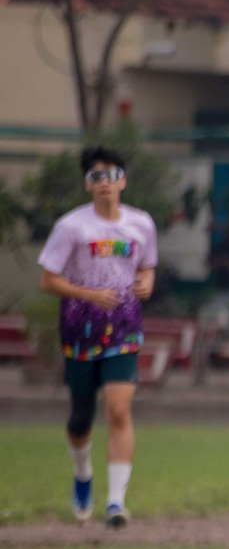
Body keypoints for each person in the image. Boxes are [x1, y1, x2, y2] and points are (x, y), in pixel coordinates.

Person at [38, 145, 157, 527]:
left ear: (123, 181)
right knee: (80, 417)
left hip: (123, 330)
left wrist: (146, 284)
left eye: (111, 175)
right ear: (87, 185)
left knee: (119, 410)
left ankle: (116, 503)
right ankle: (83, 474)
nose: (104, 183)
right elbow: (48, 280)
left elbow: (147, 266)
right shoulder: (71, 227)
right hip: (80, 332)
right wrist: (89, 295)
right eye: (95, 177)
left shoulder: (141, 224)